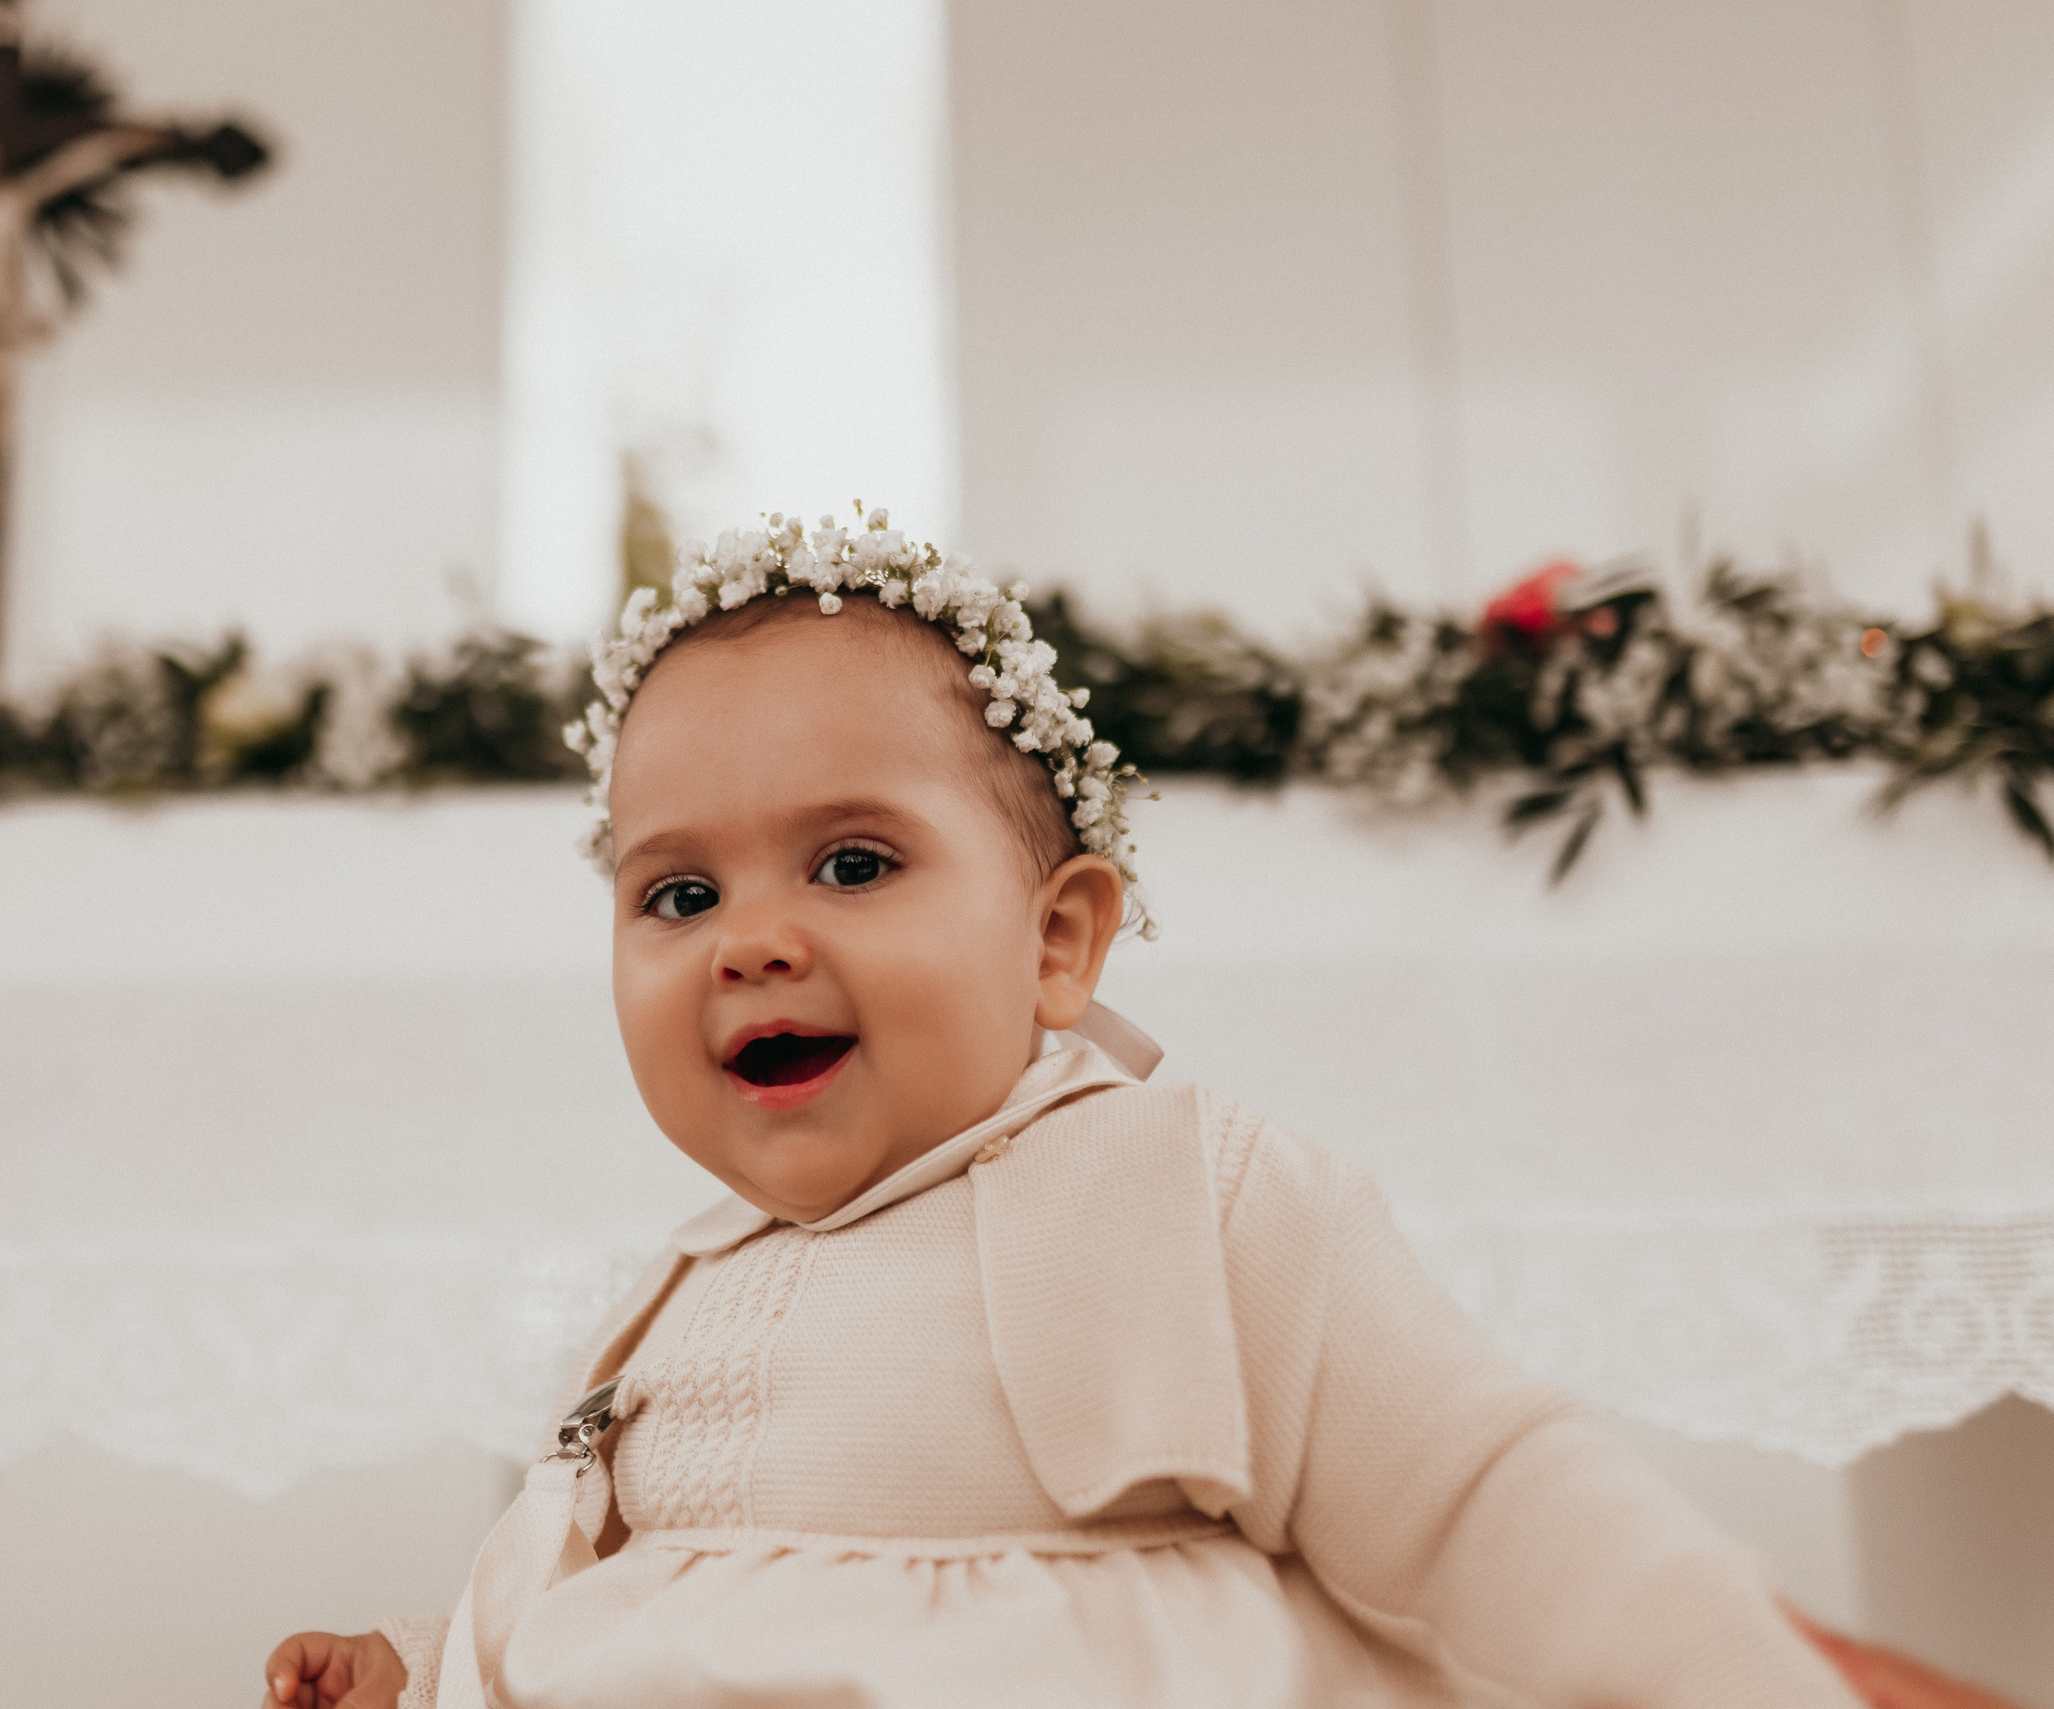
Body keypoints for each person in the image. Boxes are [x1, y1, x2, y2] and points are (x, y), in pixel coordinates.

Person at [259, 511, 1880, 1709]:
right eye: (678, 892)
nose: (753, 939)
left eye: (852, 862)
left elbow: (1486, 1499)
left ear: (1058, 941)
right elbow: (608, 1582)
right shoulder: (684, 1278)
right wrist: (423, 1661)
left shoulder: (1181, 1188)